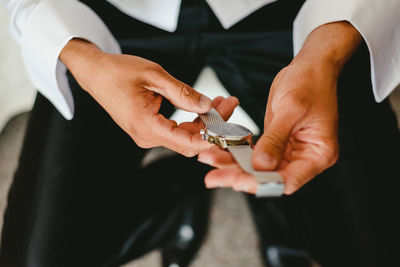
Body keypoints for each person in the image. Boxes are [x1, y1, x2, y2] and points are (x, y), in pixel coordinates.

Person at [0, 0, 399, 266]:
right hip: (104, 23)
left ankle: (276, 203)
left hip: (300, 16)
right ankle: (177, 192)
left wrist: (326, 53)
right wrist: (80, 56)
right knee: (34, 256)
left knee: (380, 248)